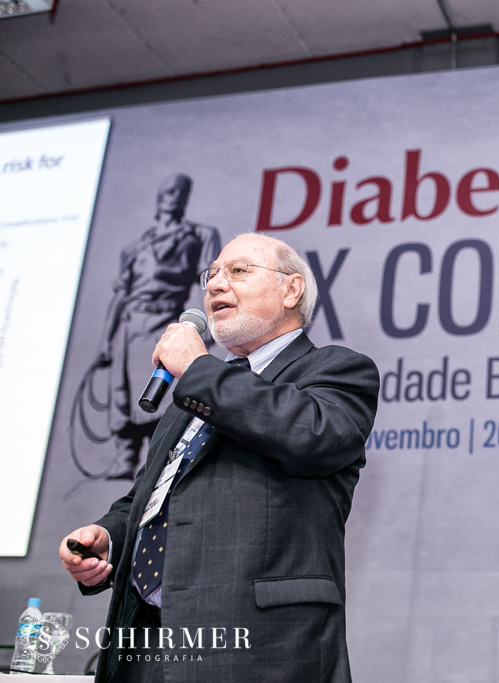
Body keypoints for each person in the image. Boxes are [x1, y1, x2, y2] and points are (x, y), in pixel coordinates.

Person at [59, 234, 379, 683]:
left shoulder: (336, 370)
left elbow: (312, 436)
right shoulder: (197, 393)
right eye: (211, 274)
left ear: (292, 290)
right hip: (146, 645)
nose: (214, 286)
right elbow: (150, 497)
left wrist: (196, 369)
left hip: (260, 650)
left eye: (239, 271)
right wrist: (108, 539)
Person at [98, 174, 221, 479]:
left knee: (163, 394)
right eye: (168, 191)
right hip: (129, 324)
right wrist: (105, 340)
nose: (174, 196)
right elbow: (120, 296)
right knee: (122, 393)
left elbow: (209, 283)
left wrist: (208, 326)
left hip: (163, 321)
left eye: (181, 192)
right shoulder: (134, 247)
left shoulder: (199, 235)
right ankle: (126, 458)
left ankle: (154, 459)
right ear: (159, 197)